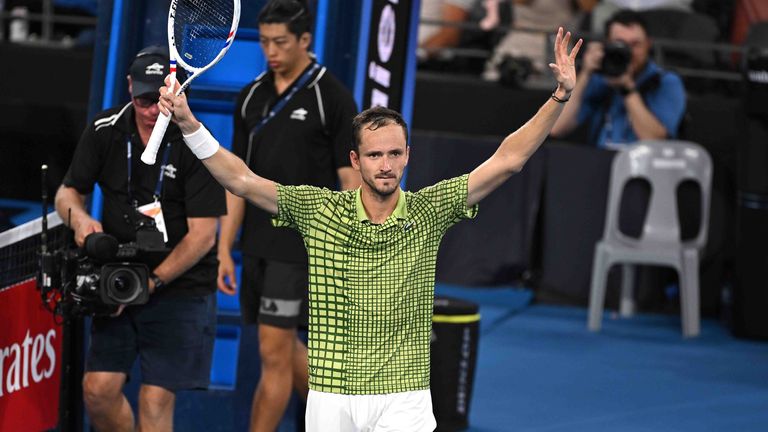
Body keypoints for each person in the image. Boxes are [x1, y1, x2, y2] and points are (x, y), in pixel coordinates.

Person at [163, 26, 580, 432]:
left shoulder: (429, 210)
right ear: (355, 160)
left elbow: (507, 160)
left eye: (395, 153)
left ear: (407, 156)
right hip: (331, 396)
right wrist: (188, 125)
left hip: (405, 396)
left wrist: (559, 95)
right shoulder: (319, 210)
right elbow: (241, 180)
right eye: (375, 154)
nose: (385, 164)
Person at [54, 46, 225, 432]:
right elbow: (67, 193)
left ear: (177, 92)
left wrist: (152, 282)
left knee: (155, 398)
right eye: (142, 99)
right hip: (119, 280)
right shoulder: (105, 130)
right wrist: (80, 221)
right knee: (97, 391)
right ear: (129, 88)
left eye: (159, 99)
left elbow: (202, 237)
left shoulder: (198, 143)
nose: (151, 110)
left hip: (179, 286)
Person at [216, 1, 360, 430]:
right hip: (256, 246)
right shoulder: (250, 98)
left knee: (272, 353)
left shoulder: (331, 96)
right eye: (263, 42)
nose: (271, 51)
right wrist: (225, 248)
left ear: (304, 41)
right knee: (281, 349)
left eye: (280, 42)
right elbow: (238, 182)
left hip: (301, 247)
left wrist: (352, 247)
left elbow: (351, 183)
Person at [551, 9, 686, 147]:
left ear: (648, 45)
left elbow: (656, 141)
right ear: (606, 45)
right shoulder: (599, 79)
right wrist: (585, 72)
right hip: (600, 162)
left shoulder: (665, 82)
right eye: (620, 44)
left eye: (635, 44)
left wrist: (627, 88)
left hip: (646, 165)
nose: (628, 52)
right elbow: (557, 127)